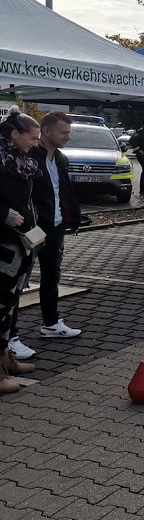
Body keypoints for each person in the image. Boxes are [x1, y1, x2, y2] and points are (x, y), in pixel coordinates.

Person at [8, 112, 84, 361]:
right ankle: (11, 337)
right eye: (63, 132)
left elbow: (63, 190)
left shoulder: (60, 159)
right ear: (46, 132)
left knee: (52, 277)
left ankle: (51, 324)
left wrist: (71, 216)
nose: (67, 137)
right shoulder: (28, 157)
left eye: (68, 133)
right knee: (18, 282)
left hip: (56, 226)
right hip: (32, 229)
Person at [0, 107, 41, 393]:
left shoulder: (20, 161)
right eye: (33, 138)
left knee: (10, 305)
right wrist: (4, 213)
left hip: (20, 242)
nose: (36, 143)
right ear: (15, 135)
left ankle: (5, 358)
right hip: (3, 241)